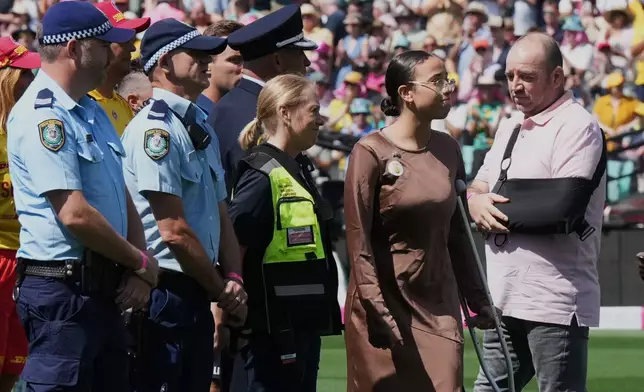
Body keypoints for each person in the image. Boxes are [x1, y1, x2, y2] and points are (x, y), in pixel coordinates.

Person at [8, 2, 159, 391]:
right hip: (64, 292)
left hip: (102, 289)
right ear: (75, 49)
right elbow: (74, 214)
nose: (114, 52)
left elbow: (120, 191)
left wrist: (138, 267)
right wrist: (140, 261)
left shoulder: (89, 108)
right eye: (105, 43)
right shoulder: (45, 115)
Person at [342, 50, 498, 392]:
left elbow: (458, 235)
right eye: (438, 81)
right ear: (406, 93)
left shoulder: (448, 149)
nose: (448, 88)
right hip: (381, 304)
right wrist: (375, 307)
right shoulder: (370, 153)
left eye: (449, 79)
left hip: (438, 305)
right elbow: (358, 240)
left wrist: (478, 299)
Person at [467, 33, 605, 392]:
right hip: (503, 294)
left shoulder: (579, 126)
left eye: (526, 76)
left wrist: (488, 206)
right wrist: (474, 201)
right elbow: (478, 186)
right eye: (510, 76)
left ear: (557, 77)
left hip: (552, 299)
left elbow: (562, 209)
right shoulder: (509, 126)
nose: (515, 86)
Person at [122, 18, 248, 392]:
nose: (207, 61)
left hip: (195, 288)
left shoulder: (198, 125)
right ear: (162, 65)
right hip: (166, 290)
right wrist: (221, 290)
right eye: (194, 54)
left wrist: (234, 278)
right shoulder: (155, 130)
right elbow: (172, 231)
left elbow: (220, 211)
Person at [228, 74, 342, 392]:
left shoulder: (297, 167)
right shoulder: (263, 172)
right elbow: (236, 241)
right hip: (272, 331)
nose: (321, 119)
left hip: (301, 324)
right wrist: (226, 311)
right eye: (314, 110)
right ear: (285, 112)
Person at [207, 3, 317, 195]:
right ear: (278, 61)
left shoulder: (232, 105)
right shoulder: (259, 114)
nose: (306, 62)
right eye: (299, 53)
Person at [0, 36, 39, 392]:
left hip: (26, 257)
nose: (31, 83)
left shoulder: (26, 126)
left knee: (15, 363)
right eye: (22, 75)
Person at [88, 1, 150, 136]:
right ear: (101, 46)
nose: (133, 48)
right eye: (124, 40)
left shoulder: (123, 105)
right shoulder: (82, 105)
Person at [198, 19, 244, 116]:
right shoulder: (195, 117)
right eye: (235, 60)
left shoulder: (238, 112)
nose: (244, 68)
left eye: (247, 60)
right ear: (207, 63)